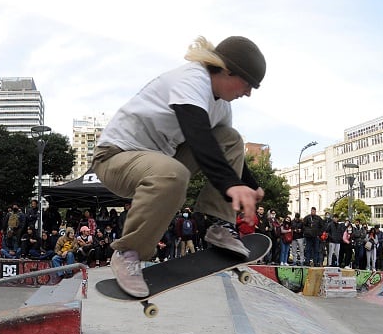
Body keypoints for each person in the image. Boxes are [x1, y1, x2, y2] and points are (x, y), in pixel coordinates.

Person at [90, 35, 266, 297]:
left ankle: (220, 226)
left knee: (230, 138)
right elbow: (197, 136)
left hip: (156, 161)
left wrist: (252, 187)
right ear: (228, 71)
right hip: (115, 159)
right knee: (174, 174)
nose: (248, 93)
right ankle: (128, 253)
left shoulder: (222, 107)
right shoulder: (192, 80)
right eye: (248, 84)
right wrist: (232, 185)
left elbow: (221, 150)